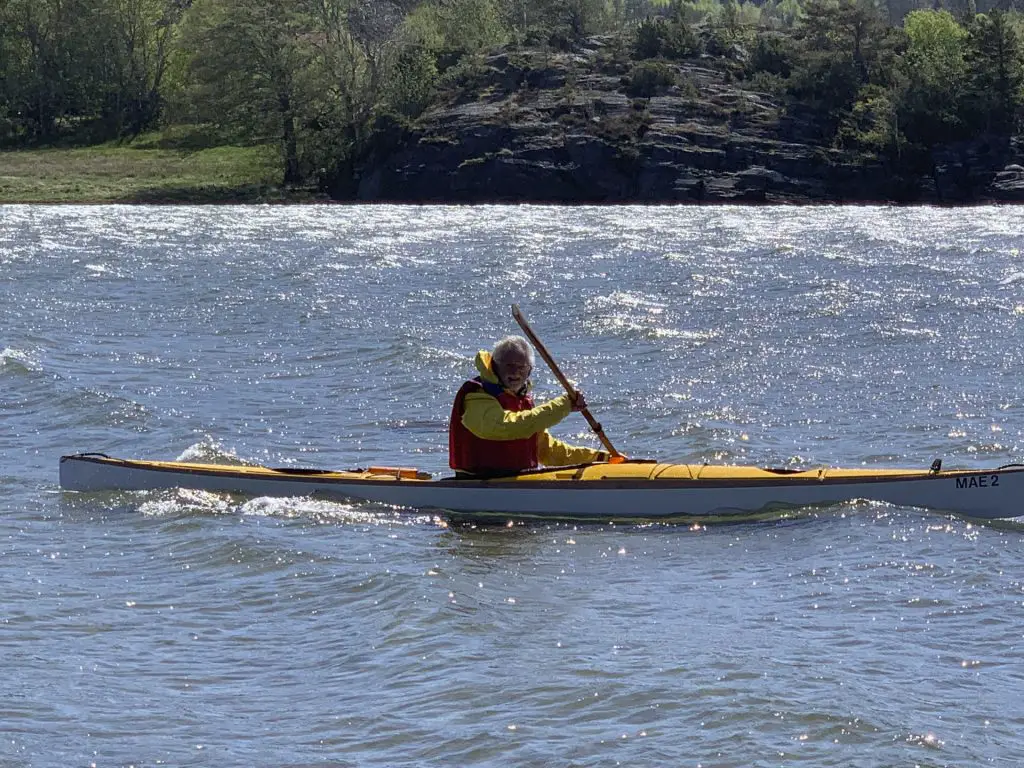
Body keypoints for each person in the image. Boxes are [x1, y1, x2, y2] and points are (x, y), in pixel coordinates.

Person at [449, 335, 611, 475]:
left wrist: (600, 458)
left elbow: (547, 451)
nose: (515, 373)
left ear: (529, 372)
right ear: (495, 365)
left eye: (521, 367)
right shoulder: (476, 396)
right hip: (477, 481)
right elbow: (505, 426)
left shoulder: (523, 401)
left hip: (516, 481)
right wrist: (564, 405)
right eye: (508, 366)